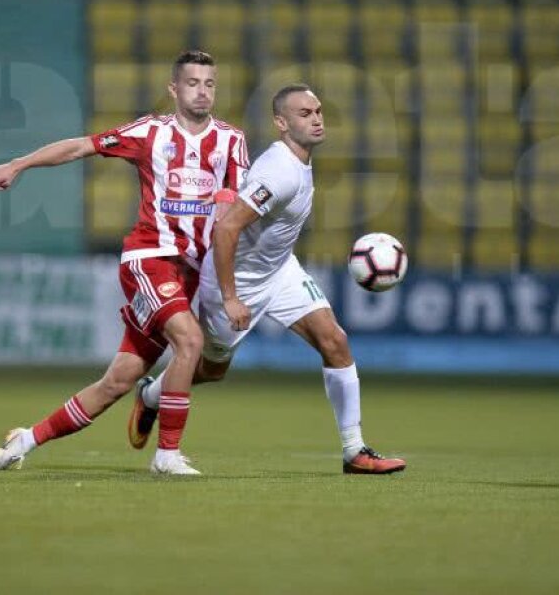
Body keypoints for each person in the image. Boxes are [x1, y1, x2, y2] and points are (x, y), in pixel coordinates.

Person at [0, 50, 248, 475]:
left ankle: (22, 442)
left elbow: (233, 211)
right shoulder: (149, 132)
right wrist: (20, 163)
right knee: (191, 343)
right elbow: (79, 147)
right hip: (150, 258)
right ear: (174, 89)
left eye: (210, 84)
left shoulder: (232, 142)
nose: (202, 92)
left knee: (117, 383)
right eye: (193, 83)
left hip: (191, 273)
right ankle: (167, 456)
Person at [129, 84, 406, 475]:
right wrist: (229, 297)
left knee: (335, 342)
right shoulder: (279, 172)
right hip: (236, 280)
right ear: (281, 123)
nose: (316, 118)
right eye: (304, 113)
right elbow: (226, 230)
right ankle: (153, 395)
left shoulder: (300, 162)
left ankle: (354, 450)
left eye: (318, 111)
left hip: (279, 271)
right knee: (210, 370)